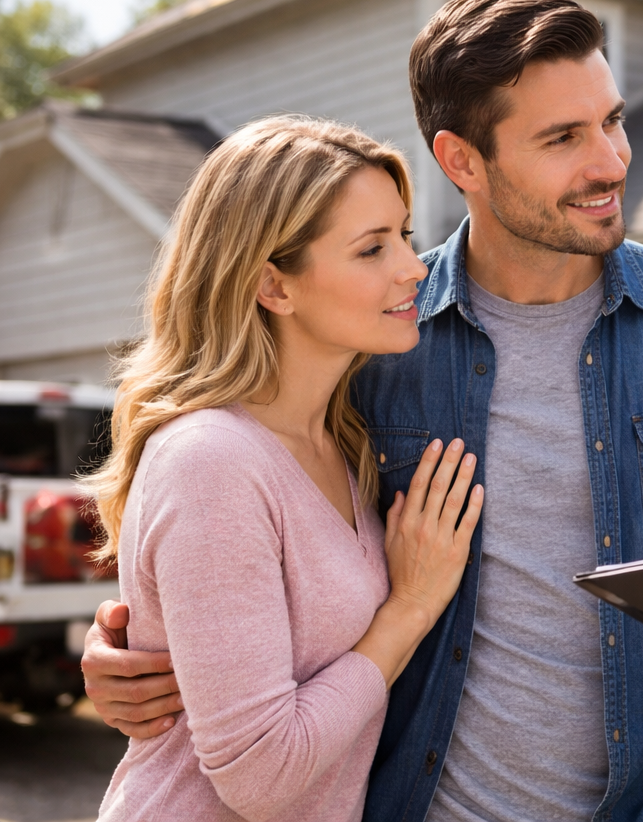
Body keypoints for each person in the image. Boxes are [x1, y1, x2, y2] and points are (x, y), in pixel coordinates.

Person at [82, 0, 643, 822]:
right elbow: (235, 539)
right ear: (462, 160)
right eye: (562, 138)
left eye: (611, 121)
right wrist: (132, 645)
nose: (610, 160)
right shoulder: (375, 340)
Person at [87, 115, 484, 821]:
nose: (413, 267)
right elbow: (262, 776)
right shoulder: (211, 460)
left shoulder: (346, 440)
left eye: (405, 235)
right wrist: (410, 609)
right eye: (371, 249)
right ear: (274, 285)